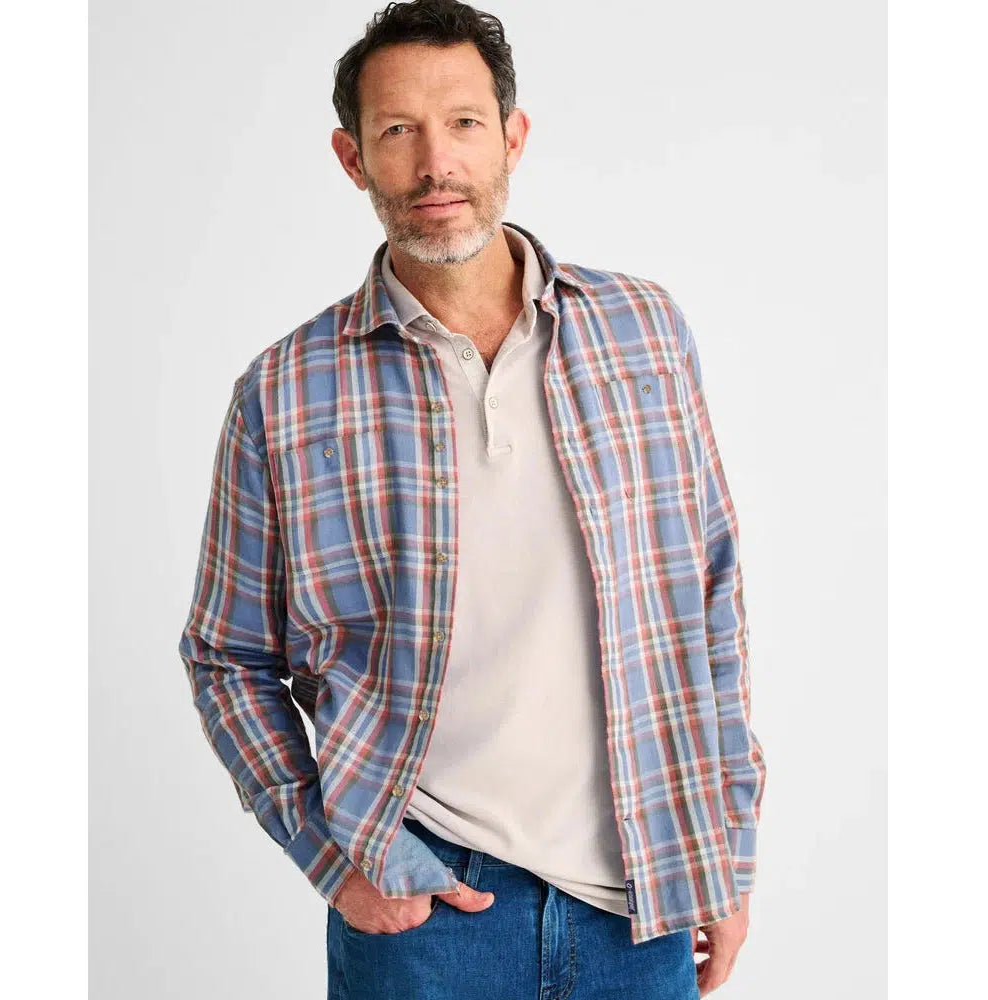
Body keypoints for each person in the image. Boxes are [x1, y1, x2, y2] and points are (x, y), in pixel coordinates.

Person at [177, 1, 766, 997]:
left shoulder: (642, 332)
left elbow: (708, 598)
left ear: (512, 137)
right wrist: (335, 860)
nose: (434, 163)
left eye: (462, 123)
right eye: (396, 130)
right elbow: (226, 655)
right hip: (424, 913)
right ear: (352, 158)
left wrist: (724, 847)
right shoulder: (284, 392)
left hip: (642, 897)